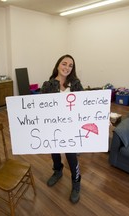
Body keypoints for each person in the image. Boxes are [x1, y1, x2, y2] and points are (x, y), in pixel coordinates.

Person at [41, 54, 84, 204]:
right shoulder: (48, 85)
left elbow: (86, 106)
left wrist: (102, 120)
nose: (67, 67)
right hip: (53, 126)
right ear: (58, 65)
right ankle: (58, 171)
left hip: (71, 127)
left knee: (71, 157)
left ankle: (76, 182)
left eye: (70, 65)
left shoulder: (76, 84)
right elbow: (39, 107)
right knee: (55, 152)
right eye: (64, 64)